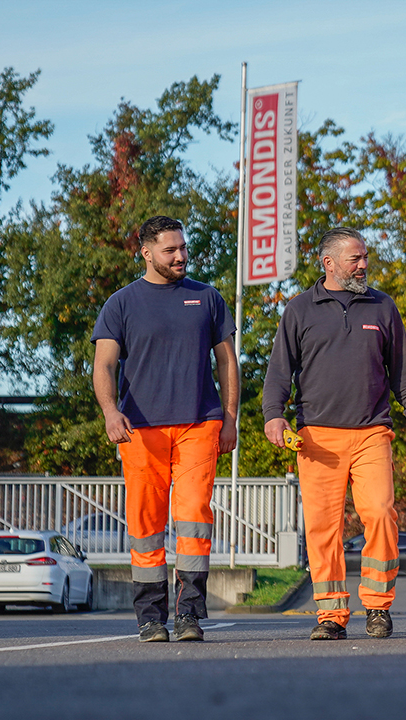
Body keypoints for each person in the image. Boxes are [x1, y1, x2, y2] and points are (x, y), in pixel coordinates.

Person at [262, 227, 406, 641]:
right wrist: (273, 416)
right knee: (323, 528)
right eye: (355, 258)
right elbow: (279, 371)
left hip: (372, 432)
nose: (363, 265)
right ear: (329, 263)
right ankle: (331, 615)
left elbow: (403, 370)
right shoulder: (299, 309)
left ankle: (378, 607)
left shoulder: (383, 306)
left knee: (381, 515)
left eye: (365, 257)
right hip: (316, 437)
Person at [91, 215, 240, 643]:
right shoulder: (120, 303)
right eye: (170, 250)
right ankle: (151, 618)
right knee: (146, 525)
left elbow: (227, 361)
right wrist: (110, 412)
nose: (180, 256)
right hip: (140, 429)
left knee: (194, 518)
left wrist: (230, 417)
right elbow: (104, 365)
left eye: (183, 248)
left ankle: (189, 614)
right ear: (146, 253)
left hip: (200, 422)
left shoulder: (207, 298)